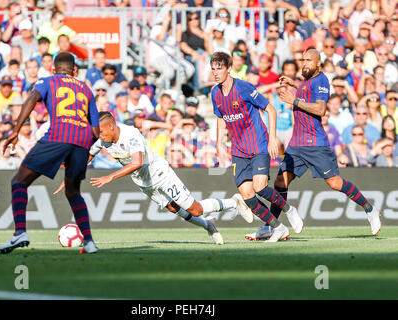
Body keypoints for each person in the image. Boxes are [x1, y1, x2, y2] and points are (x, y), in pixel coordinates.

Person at [55, 111, 254, 245]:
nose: (99, 136)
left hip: (160, 174)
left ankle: (233, 202)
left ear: (112, 126)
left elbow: (137, 162)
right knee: (173, 208)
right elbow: (89, 156)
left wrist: (110, 177)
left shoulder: (130, 134)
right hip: (144, 182)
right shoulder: (101, 139)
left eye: (102, 132)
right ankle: (208, 225)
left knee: (195, 208)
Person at [0, 52, 100, 255]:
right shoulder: (86, 89)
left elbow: (32, 99)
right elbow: (96, 132)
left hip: (59, 135)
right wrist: (76, 150)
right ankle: (88, 242)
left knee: (19, 181)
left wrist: (16, 131)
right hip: (83, 139)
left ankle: (20, 232)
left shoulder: (47, 81)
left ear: (54, 69)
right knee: (73, 191)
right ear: (74, 70)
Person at [273, 48, 381, 238]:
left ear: (318, 64)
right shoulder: (306, 81)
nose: (304, 63)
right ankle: (272, 225)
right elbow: (306, 94)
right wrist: (294, 84)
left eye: (309, 60)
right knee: (280, 182)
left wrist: (293, 99)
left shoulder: (321, 80)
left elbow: (321, 109)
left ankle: (369, 209)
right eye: (303, 59)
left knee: (335, 183)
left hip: (315, 143)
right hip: (297, 144)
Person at [210, 51, 301, 243]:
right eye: (213, 69)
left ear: (228, 68)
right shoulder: (215, 93)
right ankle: (279, 228)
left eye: (219, 68)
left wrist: (272, 139)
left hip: (258, 144)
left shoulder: (243, 88)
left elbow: (270, 109)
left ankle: (288, 209)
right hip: (238, 150)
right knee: (248, 196)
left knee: (260, 188)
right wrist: (219, 143)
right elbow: (220, 118)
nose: (215, 72)